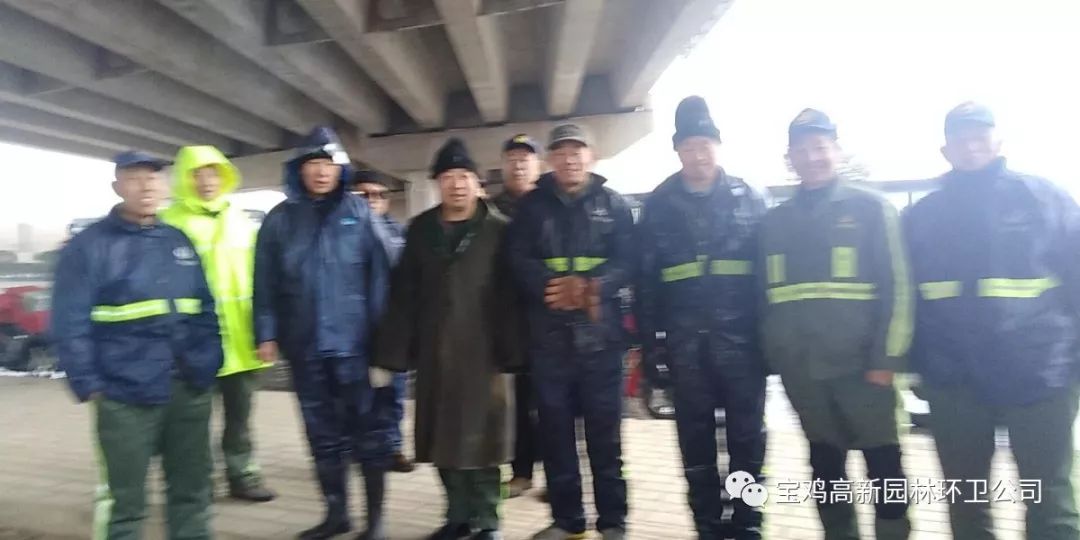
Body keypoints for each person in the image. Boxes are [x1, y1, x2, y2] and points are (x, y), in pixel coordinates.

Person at [905, 102, 1080, 540]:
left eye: (980, 137)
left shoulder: (1044, 198)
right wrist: (919, 368)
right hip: (954, 381)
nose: (971, 147)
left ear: (999, 141)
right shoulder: (922, 215)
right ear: (945, 150)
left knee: (1048, 496)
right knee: (966, 499)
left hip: (1040, 373)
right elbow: (907, 298)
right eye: (961, 139)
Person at [52, 151, 223, 540]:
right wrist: (88, 384)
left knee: (193, 489)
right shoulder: (88, 247)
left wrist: (207, 361)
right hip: (124, 391)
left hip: (187, 385)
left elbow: (205, 308)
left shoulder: (177, 240)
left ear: (165, 186)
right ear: (117, 187)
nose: (146, 186)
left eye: (153, 178)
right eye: (134, 178)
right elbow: (68, 322)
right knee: (125, 500)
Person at [759, 109, 914, 540]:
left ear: (837, 151)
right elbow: (764, 296)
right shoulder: (775, 222)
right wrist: (777, 355)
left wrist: (887, 358)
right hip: (803, 371)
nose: (812, 157)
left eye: (820, 147)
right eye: (802, 150)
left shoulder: (871, 209)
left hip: (864, 368)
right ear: (789, 158)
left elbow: (899, 287)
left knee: (884, 464)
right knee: (825, 467)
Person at [372, 138, 523, 540]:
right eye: (448, 177)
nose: (456, 184)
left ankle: (487, 520)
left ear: (477, 183)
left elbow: (512, 295)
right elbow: (404, 295)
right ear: (437, 183)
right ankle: (457, 516)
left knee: (485, 443)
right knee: (441, 439)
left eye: (464, 176)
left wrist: (515, 351)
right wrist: (390, 354)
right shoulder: (422, 230)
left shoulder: (499, 230)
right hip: (435, 352)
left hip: (485, 355)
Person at [634, 96, 768, 540]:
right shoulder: (659, 205)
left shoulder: (750, 198)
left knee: (748, 442)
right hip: (685, 349)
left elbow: (767, 278)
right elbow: (646, 283)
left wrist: (770, 342)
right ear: (677, 151)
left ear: (718, 146)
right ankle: (707, 526)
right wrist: (651, 348)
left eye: (705, 144)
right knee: (695, 444)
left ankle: (748, 523)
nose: (698, 154)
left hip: (743, 348)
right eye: (689, 146)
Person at [253, 127, 391, 540]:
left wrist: (384, 339)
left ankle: (375, 521)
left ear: (340, 170)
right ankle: (336, 514)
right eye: (312, 164)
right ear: (299, 169)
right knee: (322, 434)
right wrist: (266, 333)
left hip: (355, 347)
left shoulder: (359, 212)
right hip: (306, 346)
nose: (320, 172)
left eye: (328, 164)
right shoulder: (280, 219)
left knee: (368, 434)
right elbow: (265, 282)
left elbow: (382, 274)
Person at [506, 124, 634, 540]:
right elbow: (517, 258)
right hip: (549, 341)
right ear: (550, 160)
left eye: (577, 151)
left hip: (602, 340)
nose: (569, 159)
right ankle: (567, 521)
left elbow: (629, 260)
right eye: (560, 152)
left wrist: (595, 286)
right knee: (556, 436)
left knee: (605, 438)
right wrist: (551, 286)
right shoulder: (531, 207)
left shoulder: (614, 205)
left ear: (591, 156)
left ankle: (612, 521)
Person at [160, 145, 276, 502]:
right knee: (192, 419)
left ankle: (243, 475)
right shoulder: (169, 223)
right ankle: (199, 481)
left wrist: (266, 333)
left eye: (213, 173)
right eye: (197, 174)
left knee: (240, 417)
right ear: (184, 179)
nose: (206, 181)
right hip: (194, 342)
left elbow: (263, 280)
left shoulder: (241, 221)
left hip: (242, 339)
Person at [348, 170, 415, 475]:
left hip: (391, 328)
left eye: (379, 194)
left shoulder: (399, 234)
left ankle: (392, 447)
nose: (372, 200)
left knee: (392, 393)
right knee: (357, 394)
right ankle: (359, 447)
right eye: (364, 195)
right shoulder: (339, 234)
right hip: (352, 329)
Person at [492, 133, 543, 499]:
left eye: (525, 158)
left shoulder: (549, 204)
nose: (518, 164)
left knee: (556, 403)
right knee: (518, 405)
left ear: (537, 164)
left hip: (550, 319)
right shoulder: (490, 211)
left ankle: (559, 474)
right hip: (510, 322)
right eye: (512, 158)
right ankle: (521, 472)